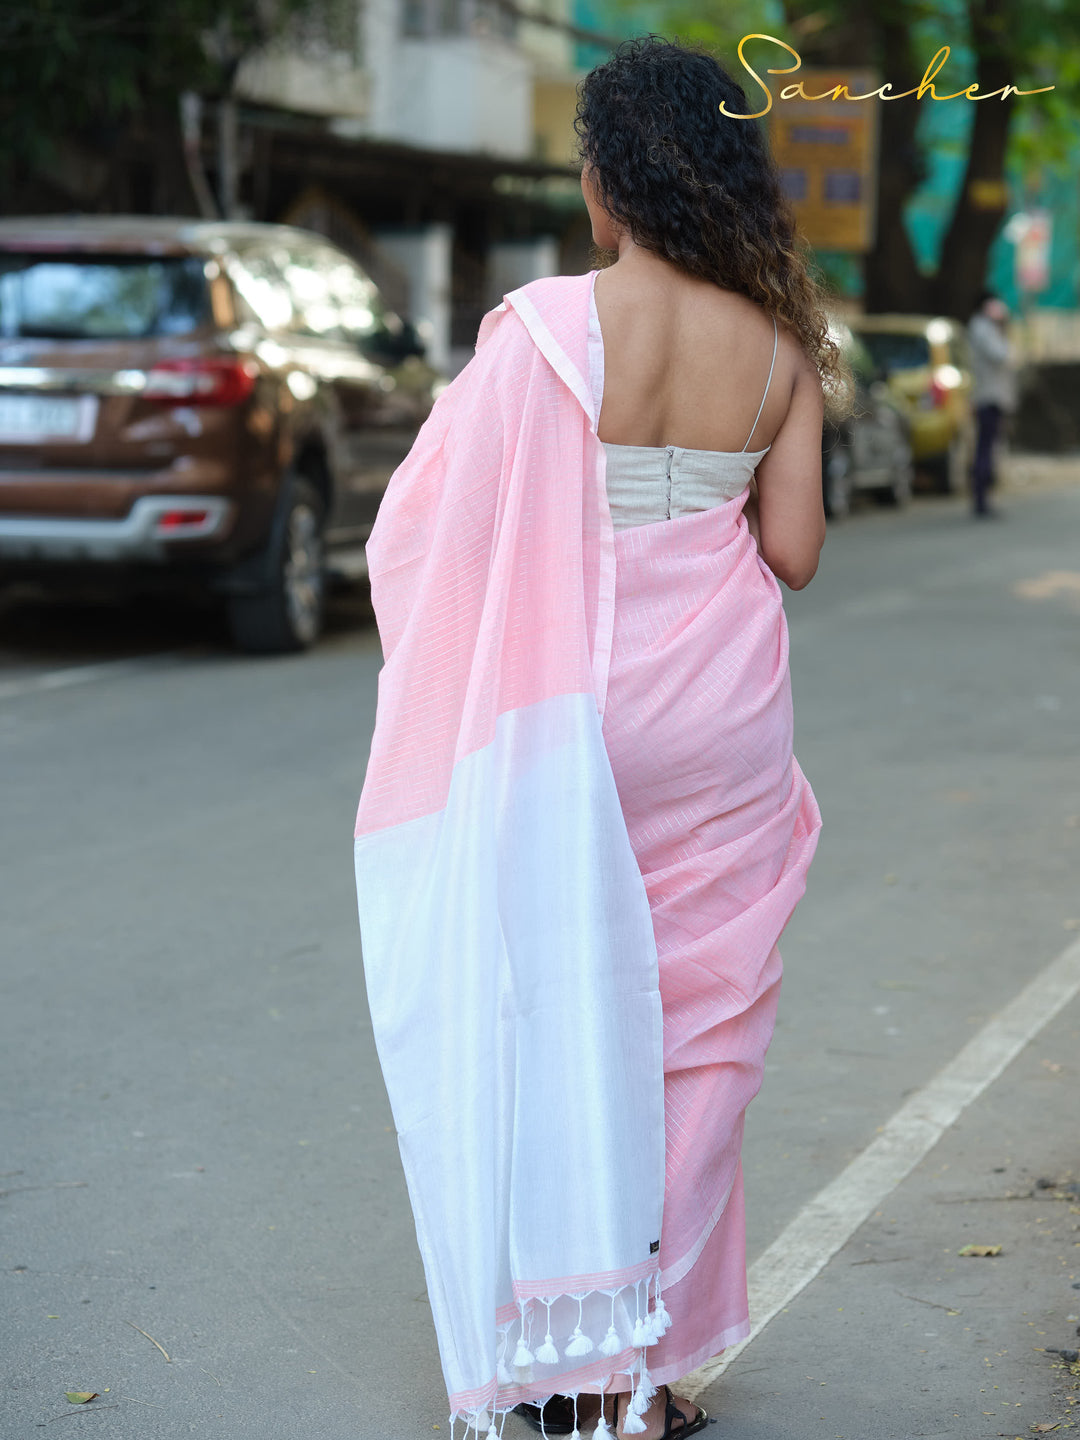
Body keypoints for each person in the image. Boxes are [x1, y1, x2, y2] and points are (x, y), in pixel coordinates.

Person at [352, 35, 849, 1440]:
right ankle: (646, 1370)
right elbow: (794, 551)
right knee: (701, 1028)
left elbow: (434, 531)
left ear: (608, 182)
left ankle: (554, 1354)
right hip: (725, 717)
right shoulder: (778, 343)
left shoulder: (544, 330)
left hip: (569, 714)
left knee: (558, 1010)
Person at [967, 289, 1018, 518]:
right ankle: (980, 498)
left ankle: (984, 497)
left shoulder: (985, 328)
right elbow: (1001, 356)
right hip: (987, 398)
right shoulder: (982, 328)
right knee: (985, 449)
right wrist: (1003, 327)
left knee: (989, 448)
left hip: (993, 397)